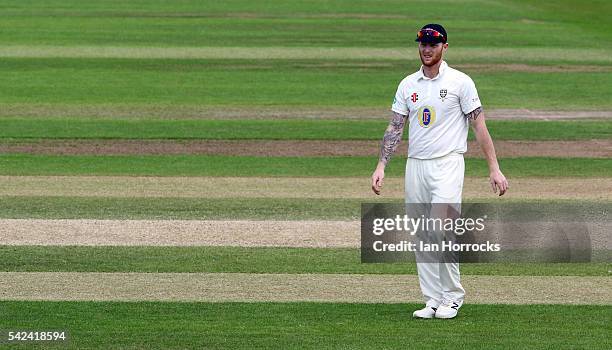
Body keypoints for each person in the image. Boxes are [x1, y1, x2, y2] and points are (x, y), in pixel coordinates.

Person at [370, 24, 508, 319]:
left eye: (433, 44)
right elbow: (395, 127)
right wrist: (382, 165)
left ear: (445, 46)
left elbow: (479, 126)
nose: (427, 49)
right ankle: (432, 299)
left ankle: (453, 297)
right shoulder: (408, 84)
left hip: (448, 163)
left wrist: (494, 168)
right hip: (416, 165)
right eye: (423, 44)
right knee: (422, 233)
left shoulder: (461, 82)